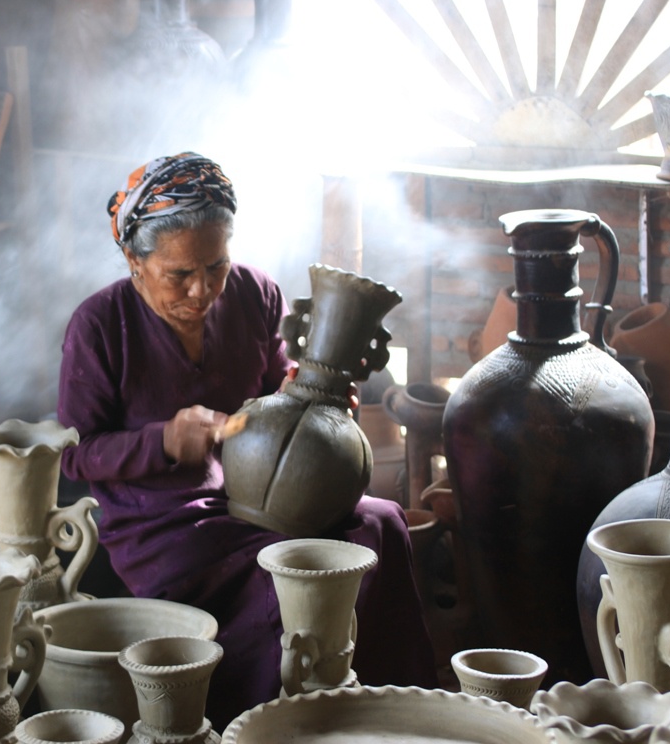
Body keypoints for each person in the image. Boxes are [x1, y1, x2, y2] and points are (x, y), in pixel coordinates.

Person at [57, 152, 437, 728]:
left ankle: (393, 712)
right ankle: (270, 723)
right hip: (162, 524)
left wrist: (318, 405)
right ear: (135, 261)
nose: (202, 289)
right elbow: (75, 453)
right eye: (179, 274)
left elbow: (277, 390)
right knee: (286, 577)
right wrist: (162, 440)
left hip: (261, 495)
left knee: (381, 522)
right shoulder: (100, 325)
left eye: (216, 266)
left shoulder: (255, 294)